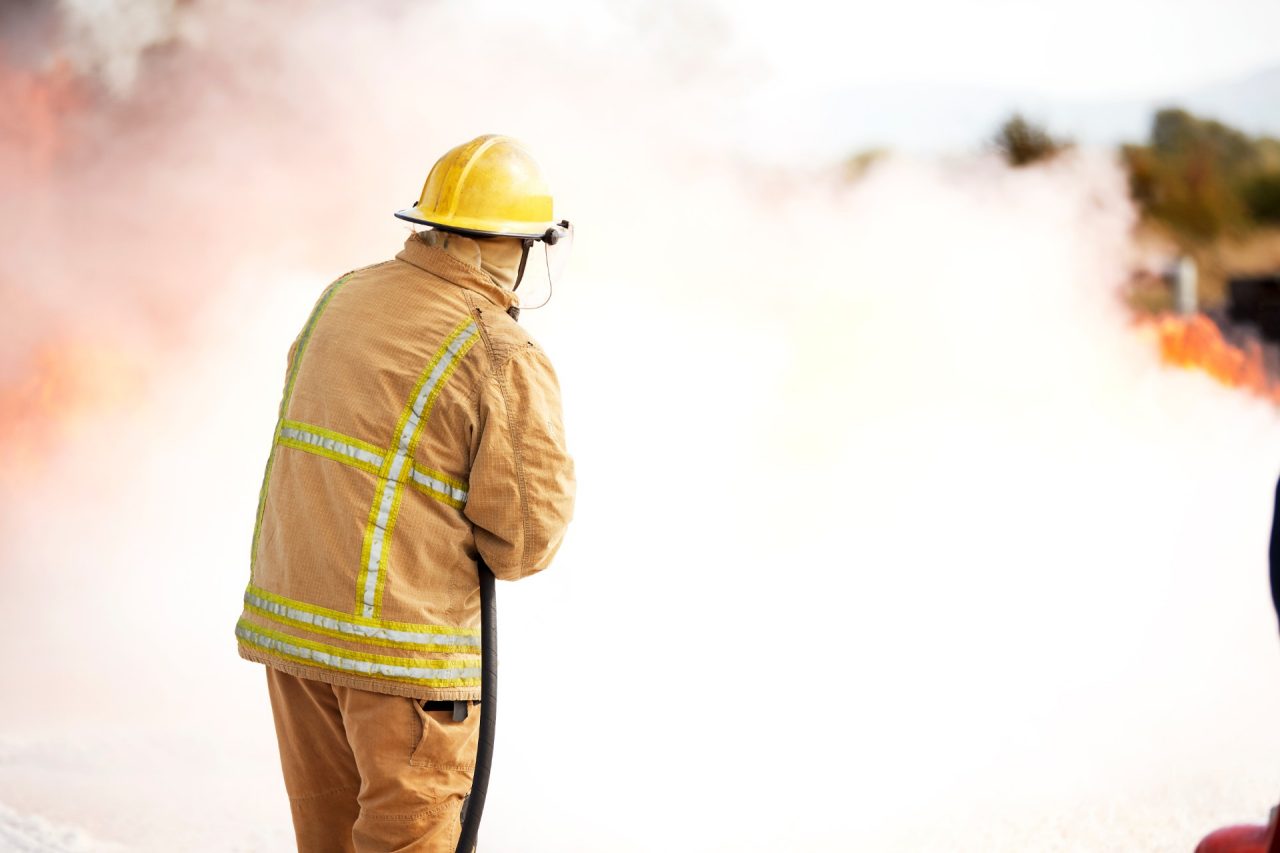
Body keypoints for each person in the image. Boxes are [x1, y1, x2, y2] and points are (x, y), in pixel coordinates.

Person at [235, 134, 576, 853]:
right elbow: (523, 543)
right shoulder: (496, 350)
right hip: (403, 665)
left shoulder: (343, 296)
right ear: (515, 245)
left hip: (296, 635)